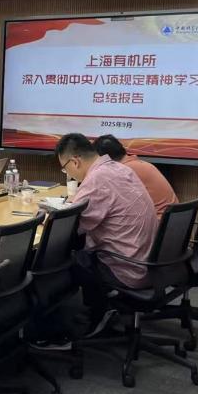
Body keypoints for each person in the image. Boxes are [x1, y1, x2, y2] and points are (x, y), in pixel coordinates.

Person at [55, 133, 158, 335]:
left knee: (61, 258)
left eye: (65, 168)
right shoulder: (120, 168)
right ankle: (100, 309)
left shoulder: (97, 179)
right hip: (149, 261)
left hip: (128, 268)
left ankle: (90, 321)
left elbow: (69, 225)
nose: (68, 173)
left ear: (75, 162)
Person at [94, 134, 178, 218]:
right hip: (172, 220)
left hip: (157, 221)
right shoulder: (140, 164)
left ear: (102, 158)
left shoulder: (123, 171)